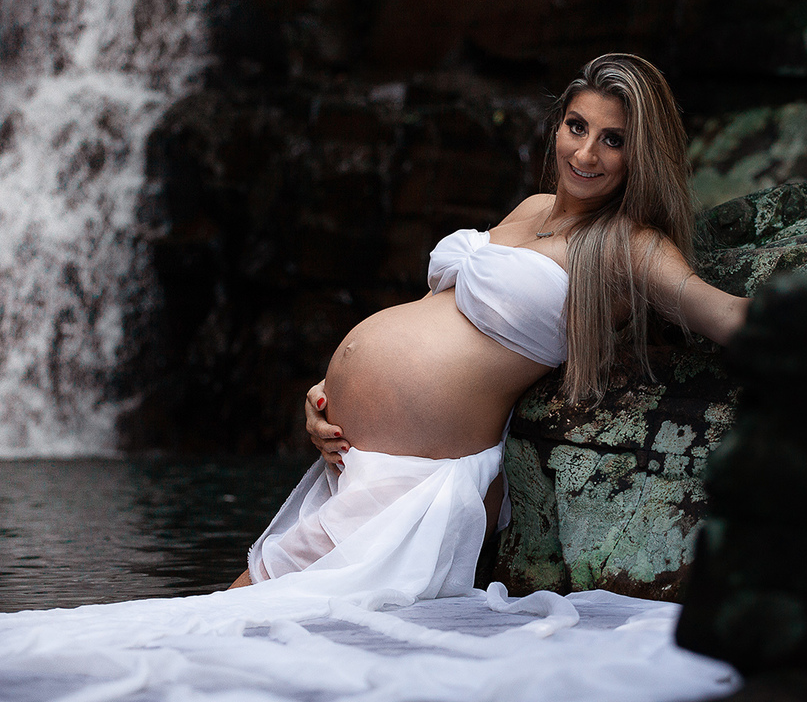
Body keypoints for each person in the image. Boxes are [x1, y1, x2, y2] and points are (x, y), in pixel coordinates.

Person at [229, 53, 750, 593]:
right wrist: (328, 391)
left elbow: (726, 314)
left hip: (421, 476)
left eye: (613, 140)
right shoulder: (532, 208)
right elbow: (440, 311)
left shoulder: (631, 245)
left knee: (239, 616)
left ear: (641, 155)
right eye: (577, 127)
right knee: (248, 614)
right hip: (357, 455)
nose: (585, 153)